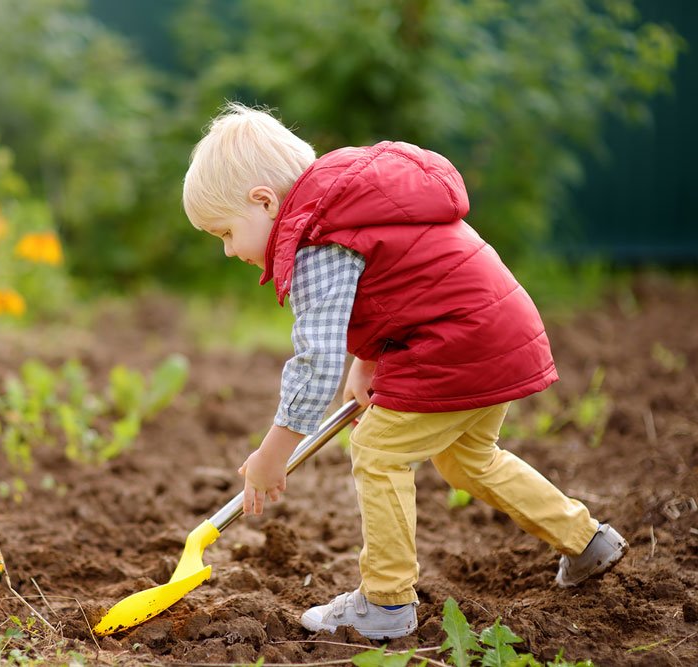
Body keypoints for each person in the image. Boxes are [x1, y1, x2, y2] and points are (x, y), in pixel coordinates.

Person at [181, 103, 628, 640]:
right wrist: (367, 366)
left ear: (264, 202)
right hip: (494, 328)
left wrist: (272, 454)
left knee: (378, 450)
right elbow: (397, 285)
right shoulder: (352, 205)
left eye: (226, 233)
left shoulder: (317, 242)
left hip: (455, 342)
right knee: (469, 460)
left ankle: (386, 603)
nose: (229, 251)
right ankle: (586, 540)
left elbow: (316, 360)